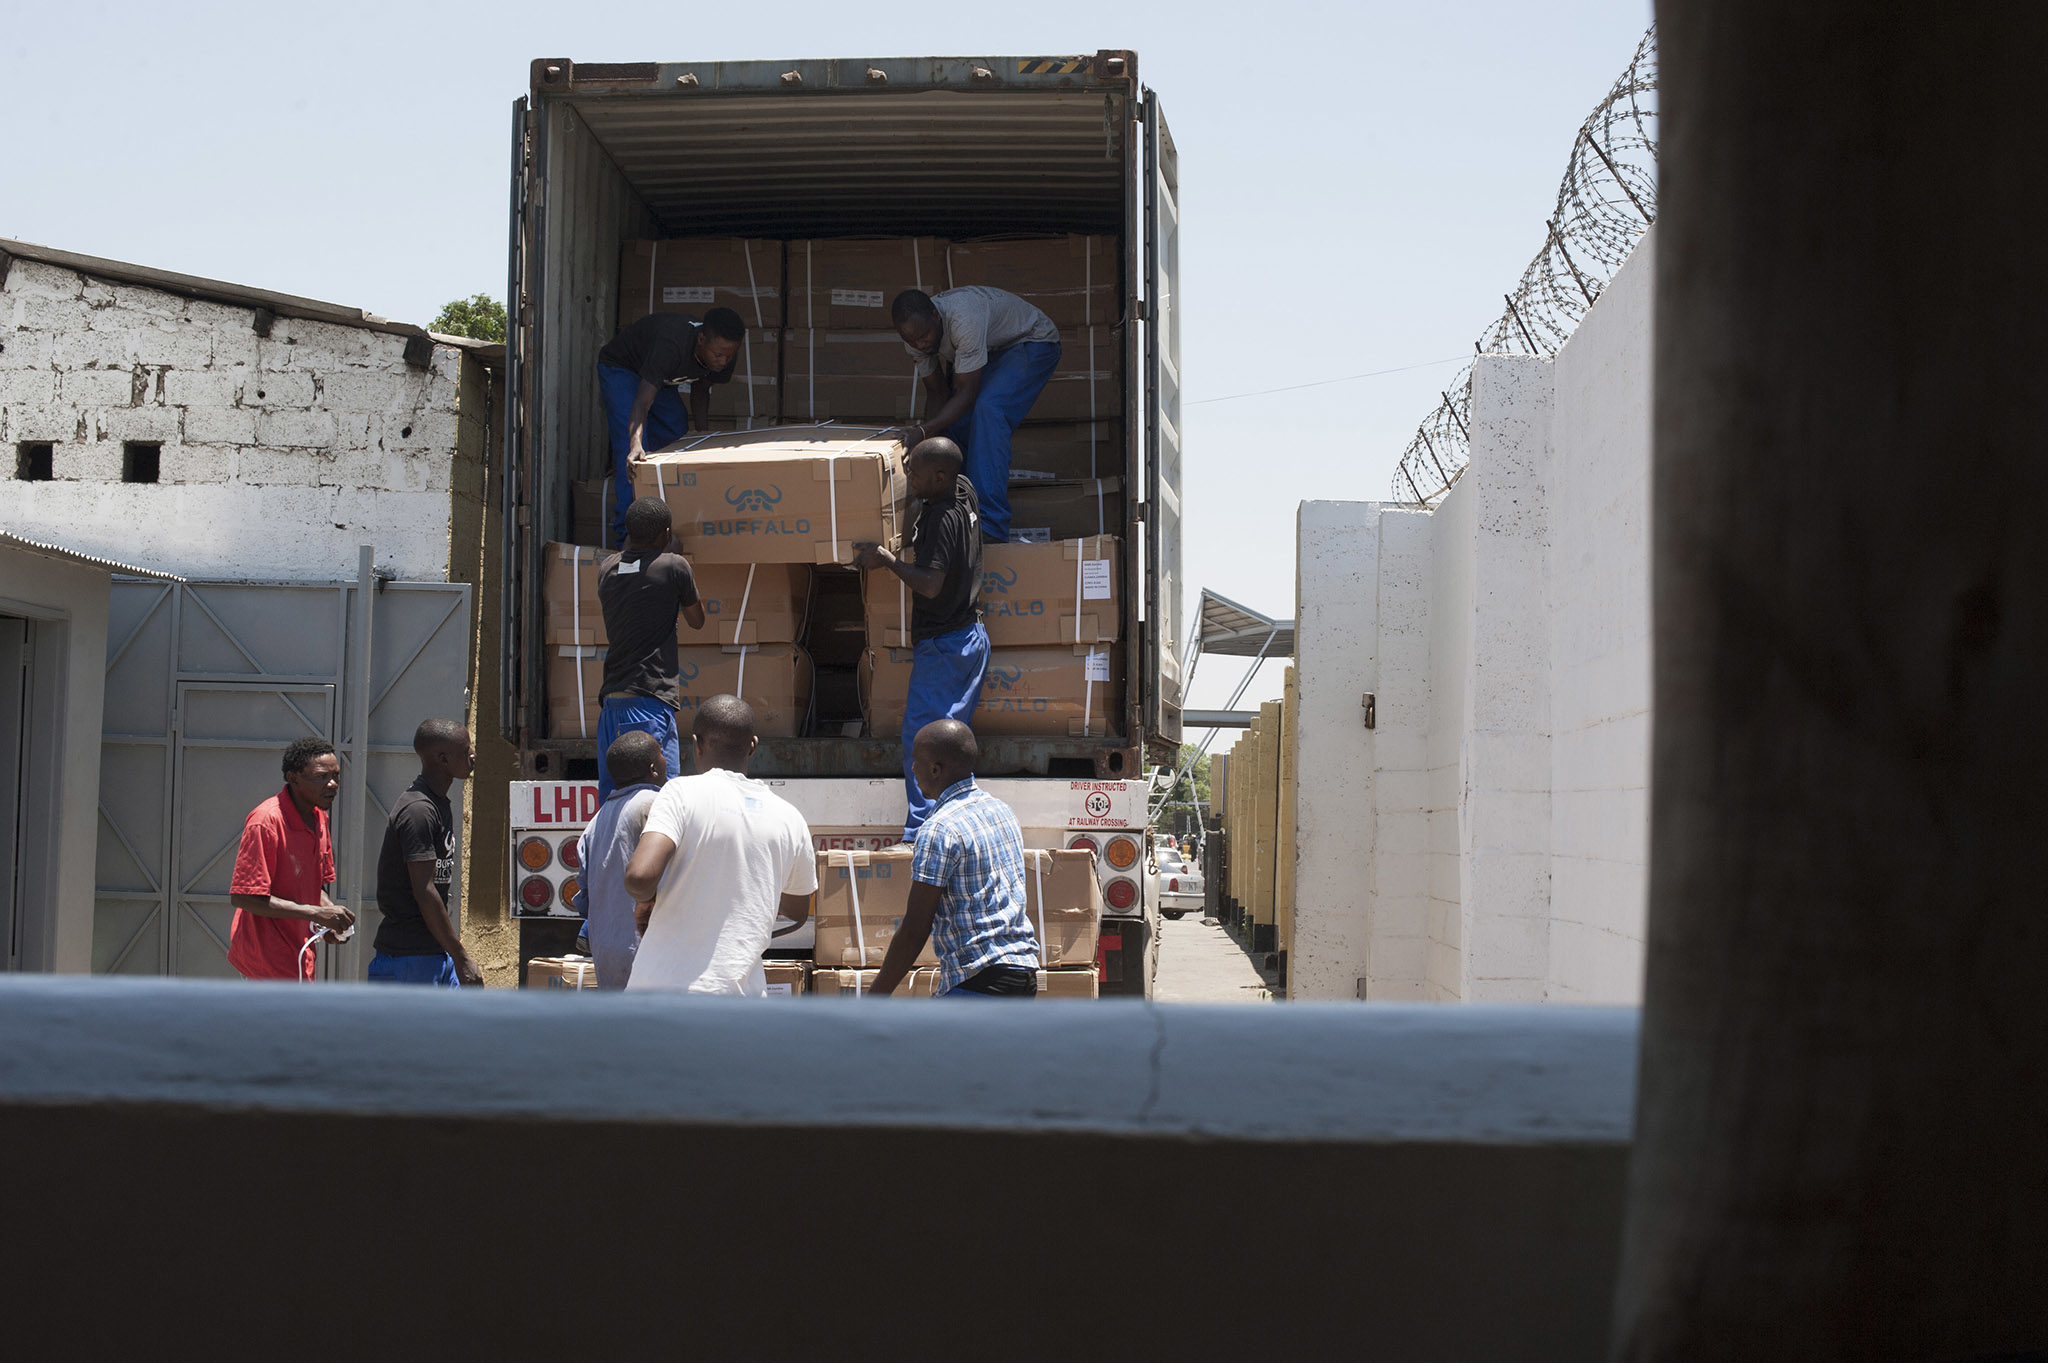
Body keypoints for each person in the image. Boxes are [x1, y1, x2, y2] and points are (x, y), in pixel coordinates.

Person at [621, 695, 817, 995]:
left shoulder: (680, 793)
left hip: (660, 996)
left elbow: (639, 877)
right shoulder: (790, 818)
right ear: (752, 746)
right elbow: (796, 910)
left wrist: (646, 900)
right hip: (737, 1002)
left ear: (696, 744)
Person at [853, 437, 990, 840]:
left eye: (915, 474)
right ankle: (951, 824)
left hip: (945, 645)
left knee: (926, 740)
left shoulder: (940, 520)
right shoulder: (963, 490)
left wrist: (887, 559)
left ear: (941, 477)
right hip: (969, 637)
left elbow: (930, 584)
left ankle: (922, 833)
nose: (908, 479)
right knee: (952, 739)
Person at [870, 719, 1041, 999]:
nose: (912, 770)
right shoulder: (1001, 811)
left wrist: (873, 999)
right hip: (1023, 974)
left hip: (979, 980)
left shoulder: (939, 829)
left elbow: (914, 929)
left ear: (935, 770)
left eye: (916, 763)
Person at [891, 286, 1062, 543]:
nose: (920, 344)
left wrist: (923, 431)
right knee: (955, 425)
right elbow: (937, 393)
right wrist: (927, 446)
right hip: (993, 351)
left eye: (925, 336)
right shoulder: (914, 338)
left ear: (935, 316)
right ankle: (955, 512)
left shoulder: (963, 320)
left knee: (988, 410)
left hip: (1032, 340)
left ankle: (990, 524)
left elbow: (967, 393)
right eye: (911, 340)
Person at [596, 307, 746, 546]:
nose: (724, 361)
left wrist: (703, 435)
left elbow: (701, 389)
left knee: (676, 433)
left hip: (662, 380)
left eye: (730, 355)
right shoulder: (672, 344)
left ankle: (662, 514)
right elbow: (642, 402)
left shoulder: (724, 353)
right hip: (623, 369)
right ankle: (631, 541)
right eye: (718, 354)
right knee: (634, 457)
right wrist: (635, 445)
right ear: (701, 339)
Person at [596, 496, 708, 801]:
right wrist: (675, 563)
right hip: (648, 702)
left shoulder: (607, 569)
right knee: (659, 800)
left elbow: (632, 565)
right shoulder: (675, 566)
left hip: (611, 703)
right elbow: (697, 620)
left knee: (613, 799)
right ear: (666, 534)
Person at [227, 736, 355, 981]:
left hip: (299, 957)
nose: (332, 784)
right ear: (293, 777)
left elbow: (313, 888)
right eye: (321, 776)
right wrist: (315, 914)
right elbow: (244, 897)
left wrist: (329, 917)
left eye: (336, 775)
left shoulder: (319, 817)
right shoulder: (265, 822)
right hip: (264, 964)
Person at [369, 718, 482, 987]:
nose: (472, 754)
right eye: (465, 749)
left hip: (433, 953)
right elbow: (424, 890)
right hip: (409, 958)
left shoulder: (437, 803)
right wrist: (461, 957)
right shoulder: (418, 811)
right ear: (443, 759)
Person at [574, 730, 666, 990]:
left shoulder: (597, 820)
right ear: (653, 769)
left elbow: (584, 895)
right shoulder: (655, 805)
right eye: (661, 753)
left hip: (606, 952)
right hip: (645, 948)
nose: (666, 758)